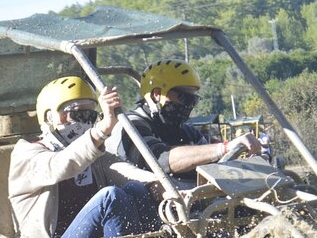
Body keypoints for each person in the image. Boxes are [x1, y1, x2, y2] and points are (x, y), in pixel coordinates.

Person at [8, 76, 157, 238]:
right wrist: (102, 129)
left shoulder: (93, 156)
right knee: (110, 197)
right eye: (78, 115)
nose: (86, 122)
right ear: (50, 117)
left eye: (91, 116)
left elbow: (126, 172)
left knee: (137, 188)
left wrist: (160, 186)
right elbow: (62, 164)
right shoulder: (28, 154)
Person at [106, 59, 261, 182]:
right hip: (139, 207)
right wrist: (224, 147)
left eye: (193, 100)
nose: (188, 105)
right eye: (184, 97)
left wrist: (246, 159)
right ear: (157, 94)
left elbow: (211, 157)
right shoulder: (131, 125)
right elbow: (160, 160)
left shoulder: (185, 130)